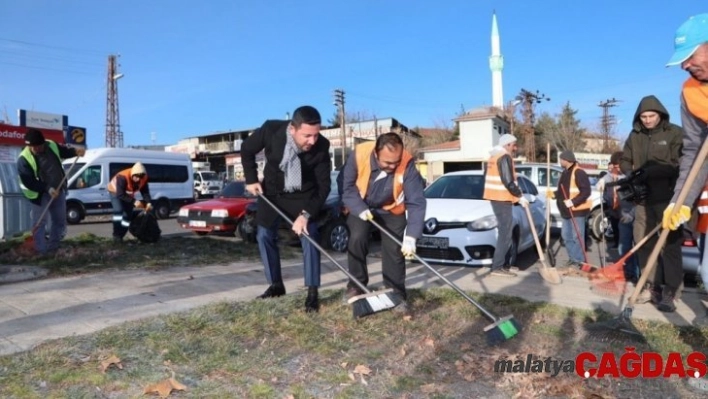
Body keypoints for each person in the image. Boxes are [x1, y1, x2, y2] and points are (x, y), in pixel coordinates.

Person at [241, 105, 331, 313]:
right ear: (292, 129)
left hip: (303, 196)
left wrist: (305, 215)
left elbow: (324, 186)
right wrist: (251, 179)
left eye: (316, 135)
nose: (312, 141)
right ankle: (276, 285)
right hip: (272, 192)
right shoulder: (271, 130)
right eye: (307, 136)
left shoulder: (321, 146)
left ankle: (312, 292)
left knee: (310, 235)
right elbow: (247, 149)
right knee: (263, 234)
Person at [340, 132, 426, 311]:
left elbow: (416, 202)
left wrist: (411, 237)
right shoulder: (359, 154)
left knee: (394, 248)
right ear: (376, 154)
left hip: (392, 208)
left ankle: (395, 293)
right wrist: (359, 209)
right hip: (361, 204)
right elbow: (346, 187)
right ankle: (356, 285)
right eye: (387, 162)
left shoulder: (407, 163)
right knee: (357, 238)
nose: (393, 166)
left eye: (396, 161)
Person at [662, 14, 708, 320]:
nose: (685, 65)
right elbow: (694, 151)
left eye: (690, 56)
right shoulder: (690, 92)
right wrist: (680, 200)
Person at [620, 95, 683, 312]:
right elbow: (624, 160)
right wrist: (631, 174)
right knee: (642, 241)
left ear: (660, 114)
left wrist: (651, 171)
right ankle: (651, 286)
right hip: (643, 200)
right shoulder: (635, 135)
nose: (647, 120)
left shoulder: (674, 133)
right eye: (644, 116)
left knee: (669, 245)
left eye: (651, 116)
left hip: (668, 198)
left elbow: (679, 164)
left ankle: (671, 291)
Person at [17, 128, 85, 254]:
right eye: (32, 146)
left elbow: (64, 151)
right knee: (40, 223)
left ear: (43, 143)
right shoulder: (24, 159)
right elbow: (29, 181)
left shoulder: (51, 145)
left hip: (58, 189)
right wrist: (47, 188)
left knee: (59, 220)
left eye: (38, 146)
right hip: (39, 194)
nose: (35, 149)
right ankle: (41, 252)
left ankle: (53, 248)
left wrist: (76, 152)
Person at [482, 134, 528, 277]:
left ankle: (505, 264)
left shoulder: (493, 157)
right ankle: (498, 267)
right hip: (501, 198)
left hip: (496, 198)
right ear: (507, 144)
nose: (515, 147)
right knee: (505, 233)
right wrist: (520, 196)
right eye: (514, 145)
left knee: (505, 232)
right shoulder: (504, 157)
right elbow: (508, 181)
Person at [597, 151, 639, 283]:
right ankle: (628, 272)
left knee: (638, 247)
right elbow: (609, 176)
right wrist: (602, 180)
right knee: (623, 247)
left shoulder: (634, 173)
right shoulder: (615, 174)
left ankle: (638, 275)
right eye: (614, 167)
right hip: (623, 217)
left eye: (617, 166)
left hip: (637, 217)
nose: (616, 169)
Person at [554, 150, 592, 270]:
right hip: (566, 212)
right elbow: (563, 189)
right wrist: (554, 194)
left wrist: (573, 201)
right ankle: (573, 259)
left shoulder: (579, 172)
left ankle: (579, 261)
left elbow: (586, 191)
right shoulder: (564, 172)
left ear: (567, 160)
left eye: (561, 159)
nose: (560, 161)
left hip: (576, 211)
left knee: (577, 236)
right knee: (566, 236)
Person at [107, 162, 153, 243]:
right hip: (115, 192)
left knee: (128, 215)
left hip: (128, 194)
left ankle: (121, 236)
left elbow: (145, 192)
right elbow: (120, 194)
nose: (138, 179)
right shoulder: (122, 176)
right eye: (136, 177)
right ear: (132, 174)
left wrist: (148, 202)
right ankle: (116, 235)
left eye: (140, 177)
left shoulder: (144, 178)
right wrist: (134, 201)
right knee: (119, 211)